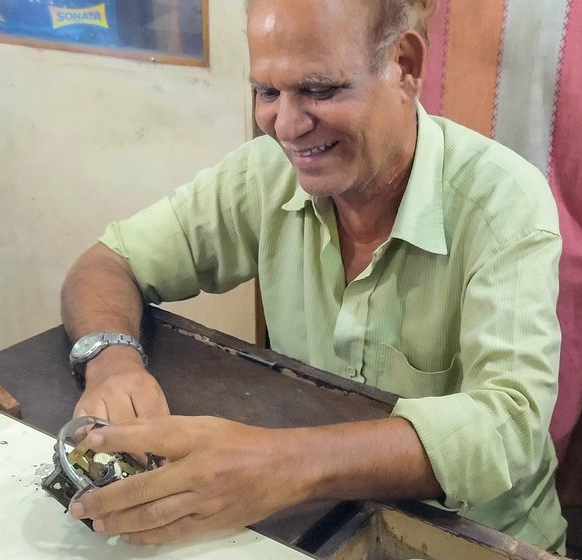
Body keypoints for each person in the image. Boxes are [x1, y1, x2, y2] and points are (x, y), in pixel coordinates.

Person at [60, 0, 567, 553]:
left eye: (320, 90)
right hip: (321, 520)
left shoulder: (503, 203)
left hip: (474, 536)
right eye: (267, 92)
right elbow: (109, 262)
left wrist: (285, 464)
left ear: (404, 64)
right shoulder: (264, 174)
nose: (287, 125)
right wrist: (111, 361)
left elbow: (509, 425)